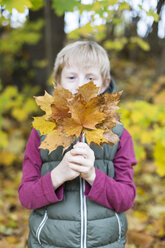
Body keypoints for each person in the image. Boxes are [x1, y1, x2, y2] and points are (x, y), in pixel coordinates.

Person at [18, 40, 137, 248]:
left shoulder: (118, 135)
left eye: (90, 78)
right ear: (58, 82)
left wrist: (93, 175)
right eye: (71, 77)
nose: (80, 85)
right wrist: (58, 175)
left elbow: (125, 199)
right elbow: (26, 197)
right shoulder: (42, 132)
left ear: (105, 82)